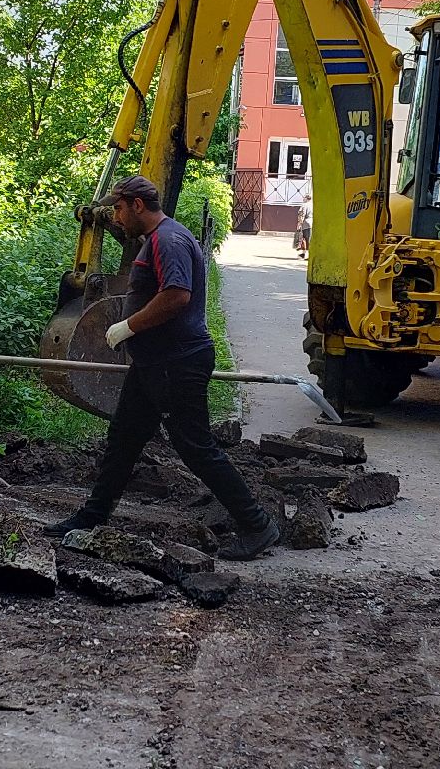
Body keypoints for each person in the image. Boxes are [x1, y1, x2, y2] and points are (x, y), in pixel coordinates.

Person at [44, 176, 280, 560]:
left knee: (195, 447)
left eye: (118, 209)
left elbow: (176, 296)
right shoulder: (158, 239)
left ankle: (256, 524)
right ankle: (91, 517)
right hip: (155, 362)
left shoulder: (167, 241)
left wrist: (127, 326)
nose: (115, 218)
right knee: (123, 439)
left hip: (176, 361)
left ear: (137, 205)